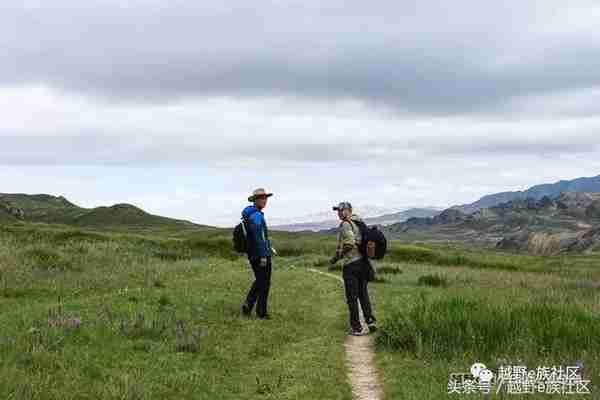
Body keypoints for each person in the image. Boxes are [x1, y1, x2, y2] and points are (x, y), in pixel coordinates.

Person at [329, 201, 377, 336]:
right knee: (363, 294)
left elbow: (349, 243)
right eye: (337, 210)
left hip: (351, 265)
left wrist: (337, 257)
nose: (338, 213)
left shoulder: (345, 224)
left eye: (340, 210)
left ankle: (356, 327)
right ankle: (370, 321)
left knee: (352, 297)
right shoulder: (358, 222)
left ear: (348, 210)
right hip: (363, 263)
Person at [241, 188, 275, 319]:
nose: (264, 200)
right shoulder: (257, 216)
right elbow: (259, 237)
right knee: (264, 283)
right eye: (261, 198)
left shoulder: (250, 214)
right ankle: (261, 312)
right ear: (255, 200)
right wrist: (264, 256)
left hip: (253, 254)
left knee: (260, 281)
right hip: (260, 254)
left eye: (265, 197)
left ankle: (248, 305)